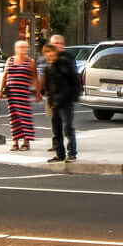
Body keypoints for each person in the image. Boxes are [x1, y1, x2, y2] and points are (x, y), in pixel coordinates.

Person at [41, 34, 80, 163]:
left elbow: (74, 79)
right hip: (54, 101)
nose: (50, 53)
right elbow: (47, 84)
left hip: (66, 100)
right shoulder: (48, 66)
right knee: (56, 129)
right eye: (48, 51)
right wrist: (47, 96)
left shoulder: (66, 61)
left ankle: (72, 153)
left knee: (68, 127)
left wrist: (74, 95)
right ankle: (59, 154)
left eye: (58, 44)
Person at [1, 39, 37, 152]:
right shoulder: (10, 60)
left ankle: (26, 142)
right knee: (14, 118)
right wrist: (0, 91)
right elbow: (5, 76)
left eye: (24, 47)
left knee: (25, 118)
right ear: (16, 49)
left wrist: (37, 92)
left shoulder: (30, 62)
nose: (22, 50)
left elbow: (34, 78)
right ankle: (15, 141)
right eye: (20, 47)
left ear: (27, 49)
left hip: (23, 94)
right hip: (11, 94)